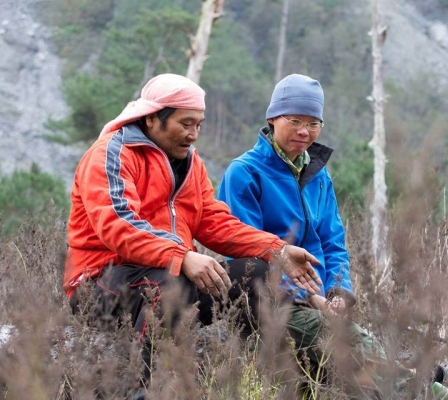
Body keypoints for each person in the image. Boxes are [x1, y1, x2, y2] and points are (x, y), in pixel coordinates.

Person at [62, 73, 323, 391]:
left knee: (253, 273)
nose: (193, 134)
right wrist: (182, 256)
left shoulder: (190, 163)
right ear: (152, 119)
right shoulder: (111, 154)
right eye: (185, 123)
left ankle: (270, 381)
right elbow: (119, 225)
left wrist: (277, 249)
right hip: (100, 283)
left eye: (198, 124)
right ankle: (136, 388)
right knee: (169, 282)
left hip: (169, 275)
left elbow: (213, 221)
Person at [217, 74, 413, 396]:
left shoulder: (319, 177)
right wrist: (308, 296)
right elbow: (246, 257)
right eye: (295, 121)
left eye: (314, 123)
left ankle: (437, 385)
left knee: (363, 359)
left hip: (320, 304)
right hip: (273, 306)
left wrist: (337, 292)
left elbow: (333, 243)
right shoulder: (245, 172)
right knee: (359, 354)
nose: (304, 132)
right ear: (272, 118)